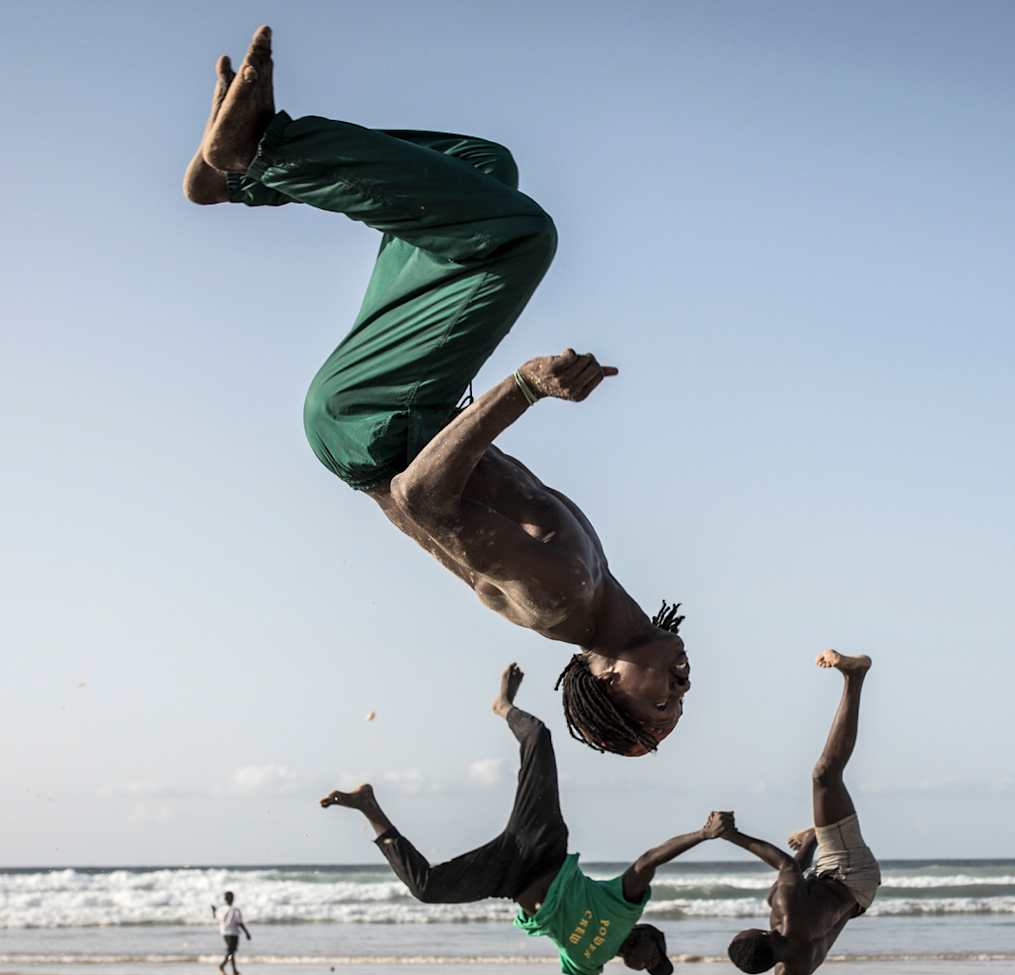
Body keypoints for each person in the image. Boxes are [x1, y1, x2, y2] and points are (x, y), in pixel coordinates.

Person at [184, 27, 690, 756]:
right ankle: (231, 180)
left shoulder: (560, 599)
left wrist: (524, 386)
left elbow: (422, 499)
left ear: (606, 678)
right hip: (395, 415)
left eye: (659, 707)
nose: (678, 688)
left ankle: (262, 151)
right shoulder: (591, 586)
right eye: (682, 699)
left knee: (521, 238)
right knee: (484, 168)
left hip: (377, 425)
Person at [320, 663, 728, 975]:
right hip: (543, 845)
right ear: (650, 939)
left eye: (652, 969)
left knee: (426, 888)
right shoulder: (625, 906)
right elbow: (650, 860)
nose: (649, 965)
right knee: (540, 739)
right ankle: (505, 706)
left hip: (509, 877)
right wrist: (702, 834)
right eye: (656, 960)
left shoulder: (586, 966)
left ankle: (369, 807)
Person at [719, 650, 881, 975]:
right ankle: (855, 677)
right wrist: (729, 834)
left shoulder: (792, 973)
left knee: (808, 842)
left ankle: (813, 833)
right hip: (847, 869)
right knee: (823, 775)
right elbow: (783, 864)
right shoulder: (784, 907)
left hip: (859, 897)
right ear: (761, 932)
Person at [214, 890, 252, 975]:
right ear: (232, 899)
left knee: (231, 952)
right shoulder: (235, 910)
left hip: (224, 932)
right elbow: (239, 922)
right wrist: (247, 932)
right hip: (233, 933)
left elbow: (216, 917)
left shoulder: (221, 909)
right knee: (231, 952)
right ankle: (223, 965)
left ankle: (234, 970)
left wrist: (214, 910)